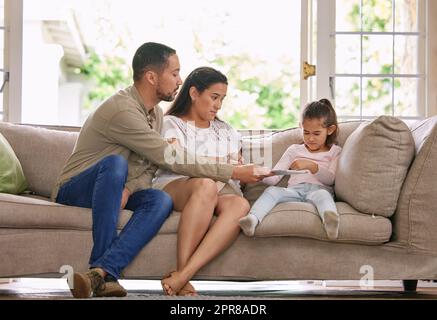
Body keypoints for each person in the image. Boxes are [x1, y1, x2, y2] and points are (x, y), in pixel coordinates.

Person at [51, 42, 264, 299]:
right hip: (76, 187)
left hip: (115, 186)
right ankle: (100, 267)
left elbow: (148, 165)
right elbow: (169, 158)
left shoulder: (155, 115)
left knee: (159, 200)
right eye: (174, 73)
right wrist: (232, 171)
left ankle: (102, 273)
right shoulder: (123, 110)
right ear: (152, 77)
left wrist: (129, 187)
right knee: (115, 164)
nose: (180, 80)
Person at [153, 67, 250, 296]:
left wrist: (242, 170)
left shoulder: (226, 130)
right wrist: (227, 166)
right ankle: (182, 271)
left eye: (222, 99)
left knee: (241, 205)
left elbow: (234, 167)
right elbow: (177, 159)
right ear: (194, 93)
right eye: (214, 97)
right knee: (205, 184)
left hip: (219, 189)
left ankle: (182, 276)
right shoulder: (171, 124)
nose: (218, 105)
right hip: (177, 184)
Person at [239, 99, 342, 240]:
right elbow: (275, 178)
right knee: (271, 191)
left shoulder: (335, 152)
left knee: (324, 196)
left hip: (319, 190)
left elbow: (330, 179)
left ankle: (330, 221)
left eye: (317, 133)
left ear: (330, 130)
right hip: (294, 191)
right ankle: (252, 219)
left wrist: (312, 166)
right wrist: (263, 174)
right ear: (301, 127)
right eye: (306, 133)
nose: (311, 138)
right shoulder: (294, 150)